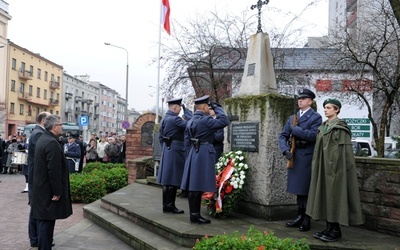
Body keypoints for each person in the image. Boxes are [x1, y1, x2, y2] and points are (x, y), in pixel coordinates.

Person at [306, 98, 363, 242]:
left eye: (329, 107)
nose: (325, 110)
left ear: (336, 110)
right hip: (323, 168)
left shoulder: (340, 128)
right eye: (325, 107)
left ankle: (336, 230)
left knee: (335, 197)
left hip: (336, 170)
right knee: (325, 196)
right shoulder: (323, 126)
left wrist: (336, 169)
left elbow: (344, 154)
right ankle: (329, 227)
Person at [278, 88, 322, 232]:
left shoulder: (315, 117)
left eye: (303, 99)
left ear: (310, 101)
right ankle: (299, 215)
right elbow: (283, 136)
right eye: (299, 99)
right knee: (298, 190)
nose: (300, 101)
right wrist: (285, 150)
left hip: (307, 156)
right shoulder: (293, 117)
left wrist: (295, 130)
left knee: (306, 190)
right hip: (294, 156)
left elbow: (313, 135)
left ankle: (307, 218)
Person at [181, 96, 229, 224]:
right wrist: (217, 108)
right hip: (203, 152)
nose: (209, 109)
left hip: (193, 152)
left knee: (193, 185)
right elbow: (224, 121)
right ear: (203, 107)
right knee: (197, 186)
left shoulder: (191, 120)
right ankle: (195, 215)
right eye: (208, 107)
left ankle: (194, 214)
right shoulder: (206, 120)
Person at [32, 114, 72, 249]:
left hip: (41, 188)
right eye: (61, 125)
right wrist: (57, 191)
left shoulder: (44, 139)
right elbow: (53, 170)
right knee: (46, 223)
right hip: (48, 190)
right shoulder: (51, 142)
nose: (62, 127)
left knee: (44, 221)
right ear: (54, 127)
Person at [157, 97, 193, 214]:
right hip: (176, 150)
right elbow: (191, 124)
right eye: (179, 108)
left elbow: (160, 137)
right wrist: (187, 112)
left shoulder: (164, 119)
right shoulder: (174, 119)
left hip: (168, 150)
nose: (179, 111)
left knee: (167, 180)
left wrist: (166, 147)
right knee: (172, 179)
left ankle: (166, 205)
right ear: (175, 107)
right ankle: (170, 206)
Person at [27, 111, 51, 248]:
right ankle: (35, 238)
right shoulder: (38, 134)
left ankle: (35, 238)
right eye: (49, 119)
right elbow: (41, 157)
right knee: (37, 209)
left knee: (35, 208)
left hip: (36, 176)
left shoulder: (37, 133)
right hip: (37, 177)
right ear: (43, 121)